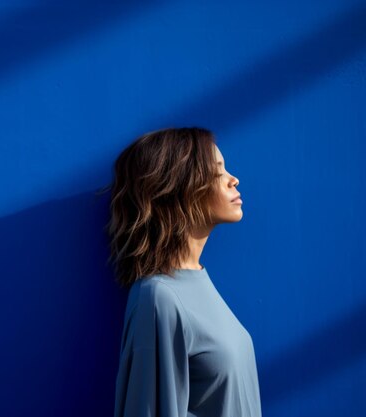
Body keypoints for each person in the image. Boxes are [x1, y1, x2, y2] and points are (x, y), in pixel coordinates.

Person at [103, 127, 262, 417]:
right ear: (180, 187)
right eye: (217, 172)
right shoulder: (159, 298)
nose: (233, 179)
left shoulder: (197, 281)